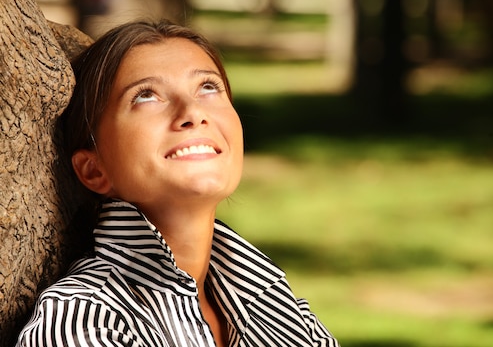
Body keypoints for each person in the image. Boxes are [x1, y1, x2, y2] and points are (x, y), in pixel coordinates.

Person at [16, 20, 339, 347]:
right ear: (94, 170)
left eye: (208, 87)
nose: (193, 112)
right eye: (145, 96)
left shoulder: (274, 301)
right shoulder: (83, 322)